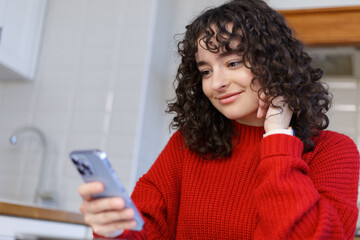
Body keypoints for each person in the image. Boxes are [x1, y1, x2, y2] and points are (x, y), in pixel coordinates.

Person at [78, 0, 360, 239]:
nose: (217, 83)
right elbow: (145, 230)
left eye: (233, 63)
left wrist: (277, 138)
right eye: (206, 71)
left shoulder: (334, 152)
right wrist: (114, 228)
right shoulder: (188, 144)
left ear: (275, 64)